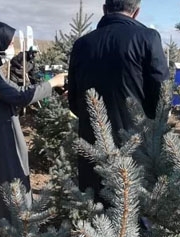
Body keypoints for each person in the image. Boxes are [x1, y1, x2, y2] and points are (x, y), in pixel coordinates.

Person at [0, 20, 67, 237]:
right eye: (9, 42)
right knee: (5, 186)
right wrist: (54, 83)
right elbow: (20, 95)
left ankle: (2, 236)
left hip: (0, 135)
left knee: (4, 185)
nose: (12, 47)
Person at [67, 0, 169, 205]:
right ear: (136, 12)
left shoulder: (82, 44)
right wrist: (153, 124)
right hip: (136, 139)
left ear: (105, 10)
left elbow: (74, 98)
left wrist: (92, 119)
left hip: (92, 137)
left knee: (97, 203)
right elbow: (161, 91)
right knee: (134, 203)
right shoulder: (147, 38)